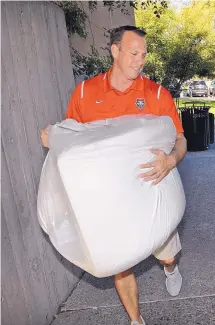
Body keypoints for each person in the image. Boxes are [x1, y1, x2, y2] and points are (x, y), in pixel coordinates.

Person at [40, 25, 187, 325]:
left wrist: (170, 160)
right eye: (133, 53)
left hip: (151, 188)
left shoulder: (157, 95)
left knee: (168, 254)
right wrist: (53, 137)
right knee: (121, 263)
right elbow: (74, 141)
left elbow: (181, 138)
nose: (140, 60)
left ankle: (171, 268)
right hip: (111, 199)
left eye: (143, 55)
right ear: (115, 50)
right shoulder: (85, 92)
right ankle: (136, 320)